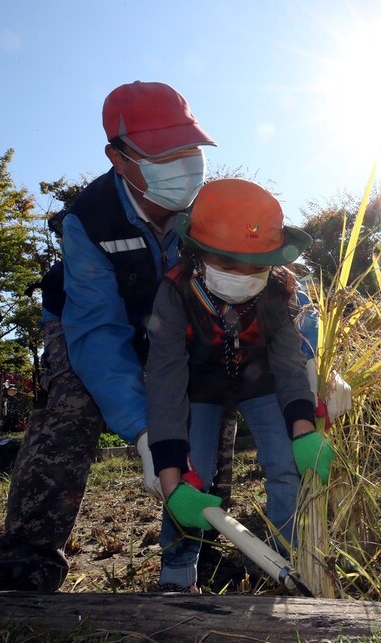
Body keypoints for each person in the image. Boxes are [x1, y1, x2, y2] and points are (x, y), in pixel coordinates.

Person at [0, 81, 216, 592]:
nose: (184, 163)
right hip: (86, 322)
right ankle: (25, 561)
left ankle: (199, 548)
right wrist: (145, 432)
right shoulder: (88, 221)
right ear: (119, 157)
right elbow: (98, 335)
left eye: (189, 148)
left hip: (171, 325)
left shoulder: (208, 212)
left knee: (208, 399)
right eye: (164, 152)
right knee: (74, 403)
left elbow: (258, 275)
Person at [145, 178, 335, 593]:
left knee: (286, 463)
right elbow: (165, 380)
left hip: (261, 381)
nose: (245, 276)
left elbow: (287, 362)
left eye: (256, 264)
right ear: (198, 252)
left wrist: (303, 430)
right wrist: (169, 470)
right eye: (230, 263)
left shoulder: (280, 291)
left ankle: (286, 564)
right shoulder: (175, 292)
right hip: (199, 388)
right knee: (193, 477)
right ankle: (177, 577)